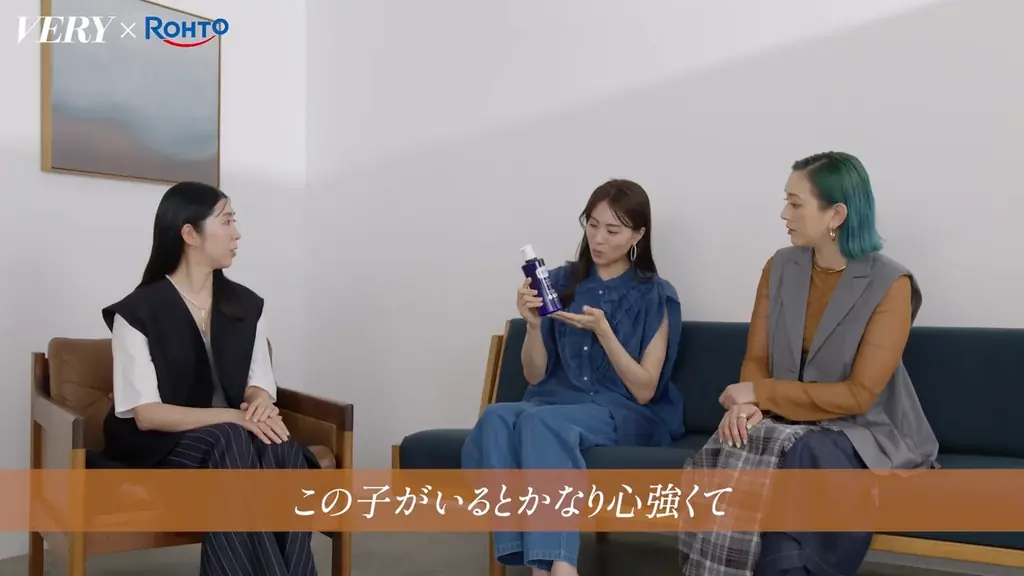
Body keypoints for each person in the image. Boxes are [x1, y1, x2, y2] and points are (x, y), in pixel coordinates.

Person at [678, 152, 940, 576]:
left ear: (836, 214)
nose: (784, 213)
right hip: (786, 418)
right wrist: (749, 407)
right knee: (738, 436)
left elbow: (859, 395)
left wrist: (760, 394)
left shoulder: (891, 284)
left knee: (804, 450)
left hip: (863, 428)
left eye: (795, 203)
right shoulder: (780, 266)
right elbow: (757, 357)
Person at [461, 179, 685, 576]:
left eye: (613, 230)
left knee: (541, 423)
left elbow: (644, 389)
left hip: (621, 411)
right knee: (496, 417)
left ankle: (561, 564)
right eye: (592, 225)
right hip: (552, 401)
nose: (598, 238)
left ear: (637, 235)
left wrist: (604, 333)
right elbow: (535, 374)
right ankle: (537, 561)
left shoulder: (655, 294)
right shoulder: (560, 283)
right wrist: (532, 326)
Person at [99, 182, 320, 576]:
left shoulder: (246, 305)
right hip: (161, 444)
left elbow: (258, 382)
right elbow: (147, 415)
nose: (238, 233)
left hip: (231, 443)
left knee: (281, 447)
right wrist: (236, 417)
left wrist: (260, 402)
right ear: (190, 233)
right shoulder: (137, 312)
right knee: (233, 438)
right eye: (227, 221)